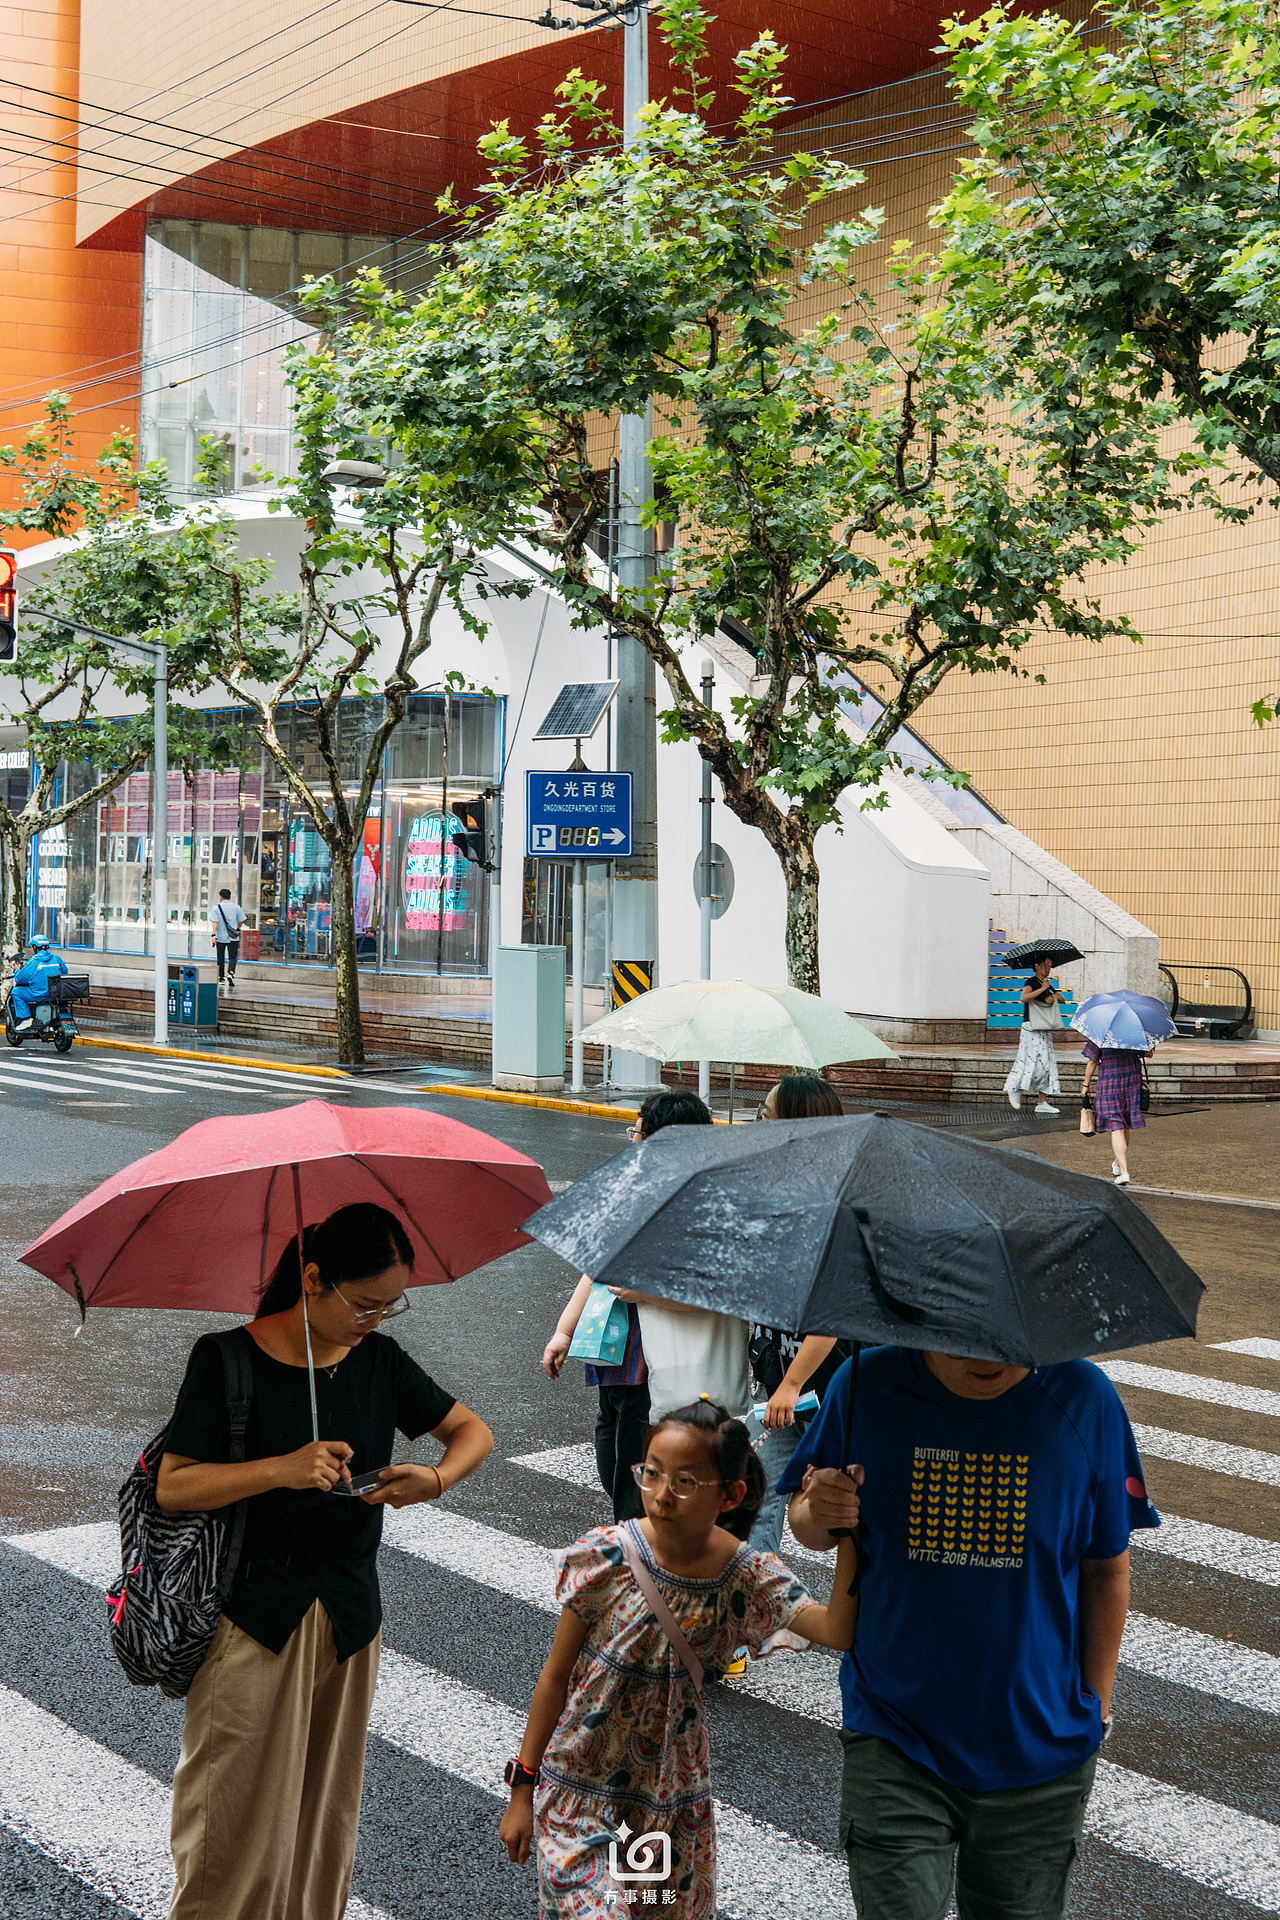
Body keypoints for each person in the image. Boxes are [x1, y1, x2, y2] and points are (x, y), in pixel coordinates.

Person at [157, 1202, 494, 1920]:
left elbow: (471, 1432)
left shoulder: (379, 1360)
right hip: (252, 1618)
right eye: (365, 1303)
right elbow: (176, 1483)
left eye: (389, 1305)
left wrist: (433, 1479)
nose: (375, 1319)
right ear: (312, 1278)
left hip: (348, 1618)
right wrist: (281, 1468)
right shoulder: (226, 1359)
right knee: (229, 1824)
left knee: (321, 1825)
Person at [779, 1345, 1158, 1920]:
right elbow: (810, 1527)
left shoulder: (1085, 1398)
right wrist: (816, 1507)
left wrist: (1097, 1707)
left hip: (1040, 1754)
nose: (987, 1354)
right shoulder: (865, 1384)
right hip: (893, 1736)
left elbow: (1106, 1568)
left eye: (1005, 1337)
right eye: (960, 1333)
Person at [498, 1399, 858, 1917]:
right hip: (580, 1788)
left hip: (663, 1805)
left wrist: (850, 1535)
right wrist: (521, 1788)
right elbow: (555, 1677)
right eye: (651, 1474)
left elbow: (835, 1630)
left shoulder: (744, 1576)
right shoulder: (607, 1556)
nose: (662, 1495)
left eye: (685, 1482)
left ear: (730, 1494)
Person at [543, 1088, 711, 1523]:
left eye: (638, 1134)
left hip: (653, 1363)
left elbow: (709, 1295)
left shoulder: (696, 1205)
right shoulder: (630, 1194)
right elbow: (596, 1265)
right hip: (611, 1354)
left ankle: (638, 1564)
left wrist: (644, 1295)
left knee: (630, 1483)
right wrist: (565, 1329)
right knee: (610, 1460)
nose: (632, 1142)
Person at [748, 1074, 847, 1557]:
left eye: (767, 1113)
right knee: (761, 1497)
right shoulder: (780, 1193)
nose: (759, 1120)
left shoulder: (827, 1205)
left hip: (828, 1389)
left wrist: (791, 1385)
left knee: (846, 1513)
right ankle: (756, 1611)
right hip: (785, 1387)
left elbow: (831, 1313)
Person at [1004, 956, 1066, 1115]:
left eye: (1050, 965)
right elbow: (1023, 998)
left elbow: (1062, 1000)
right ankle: (1015, 1088)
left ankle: (1042, 1101)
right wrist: (1041, 990)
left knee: (1046, 1063)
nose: (1048, 968)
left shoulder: (1047, 984)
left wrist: (1050, 993)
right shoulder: (1031, 982)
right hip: (1031, 1026)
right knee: (1028, 1059)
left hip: (1043, 1027)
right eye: (1046, 965)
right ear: (1037, 966)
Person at [1080, 1039, 1145, 1185]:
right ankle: (1117, 1163)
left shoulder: (1102, 1033)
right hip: (1132, 1078)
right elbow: (1149, 1053)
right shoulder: (1134, 1032)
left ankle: (1124, 1172)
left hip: (1110, 1079)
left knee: (1116, 1125)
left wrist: (1086, 1085)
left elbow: (1092, 1061)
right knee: (1125, 1121)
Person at [8, 934, 67, 1031]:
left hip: (38, 994)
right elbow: (65, 972)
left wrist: (17, 970)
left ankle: (26, 1019)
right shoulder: (56, 959)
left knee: (16, 992)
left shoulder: (33, 961)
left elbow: (20, 979)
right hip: (55, 993)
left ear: (34, 947)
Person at [213, 887, 247, 986]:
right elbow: (241, 920)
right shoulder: (236, 907)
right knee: (232, 956)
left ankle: (221, 977)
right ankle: (231, 973)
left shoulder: (216, 908)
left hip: (221, 936)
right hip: (233, 936)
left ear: (220, 896)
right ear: (230, 897)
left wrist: (213, 934)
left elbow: (214, 922)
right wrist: (237, 928)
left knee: (221, 957)